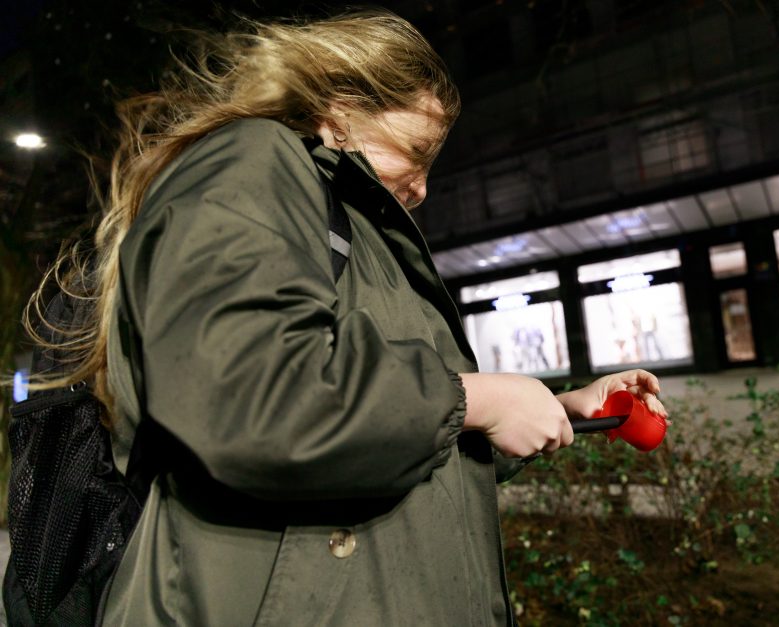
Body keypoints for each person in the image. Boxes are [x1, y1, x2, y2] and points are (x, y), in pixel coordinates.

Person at [26, 9, 668, 625]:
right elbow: (252, 398)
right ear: (341, 111)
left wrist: (563, 405)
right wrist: (473, 398)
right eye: (416, 151)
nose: (422, 187)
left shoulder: (357, 237)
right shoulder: (257, 159)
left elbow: (398, 436)